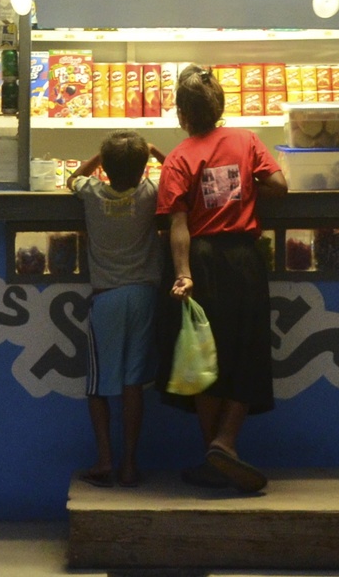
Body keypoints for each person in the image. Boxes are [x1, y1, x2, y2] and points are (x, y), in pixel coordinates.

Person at [154, 64, 285, 494]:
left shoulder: (177, 158)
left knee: (202, 358)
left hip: (203, 263)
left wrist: (183, 274)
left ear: (181, 114)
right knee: (245, 353)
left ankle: (214, 449)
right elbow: (279, 185)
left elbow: (178, 225)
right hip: (244, 261)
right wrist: (245, 189)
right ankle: (225, 443)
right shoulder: (246, 140)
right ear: (220, 105)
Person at [66, 132, 167, 486]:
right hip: (143, 295)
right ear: (143, 169)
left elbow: (72, 179)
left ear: (105, 168)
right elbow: (178, 177)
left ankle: (105, 459)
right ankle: (129, 464)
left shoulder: (93, 194)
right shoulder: (151, 193)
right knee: (133, 383)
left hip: (106, 297)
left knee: (97, 385)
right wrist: (155, 152)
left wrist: (96, 158)